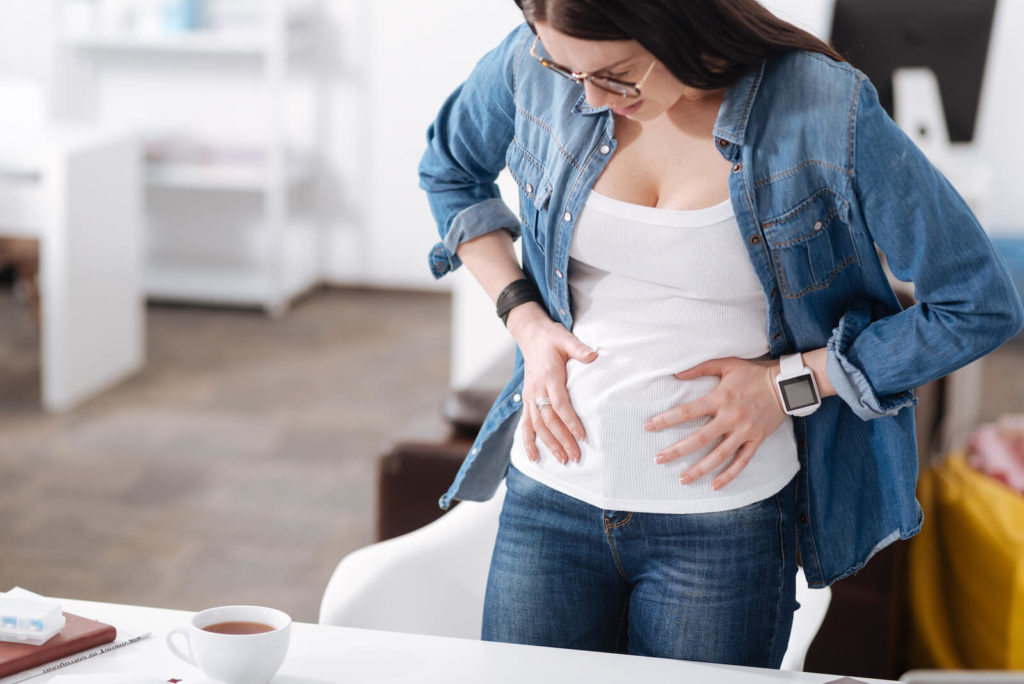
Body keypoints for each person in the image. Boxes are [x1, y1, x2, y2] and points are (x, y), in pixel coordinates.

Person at [418, 0, 1024, 668]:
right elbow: (449, 170)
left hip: (723, 530)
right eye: (567, 71)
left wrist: (789, 384)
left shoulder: (820, 108)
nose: (588, 96)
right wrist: (525, 319)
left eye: (618, 76)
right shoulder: (540, 67)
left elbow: (976, 304)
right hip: (547, 501)